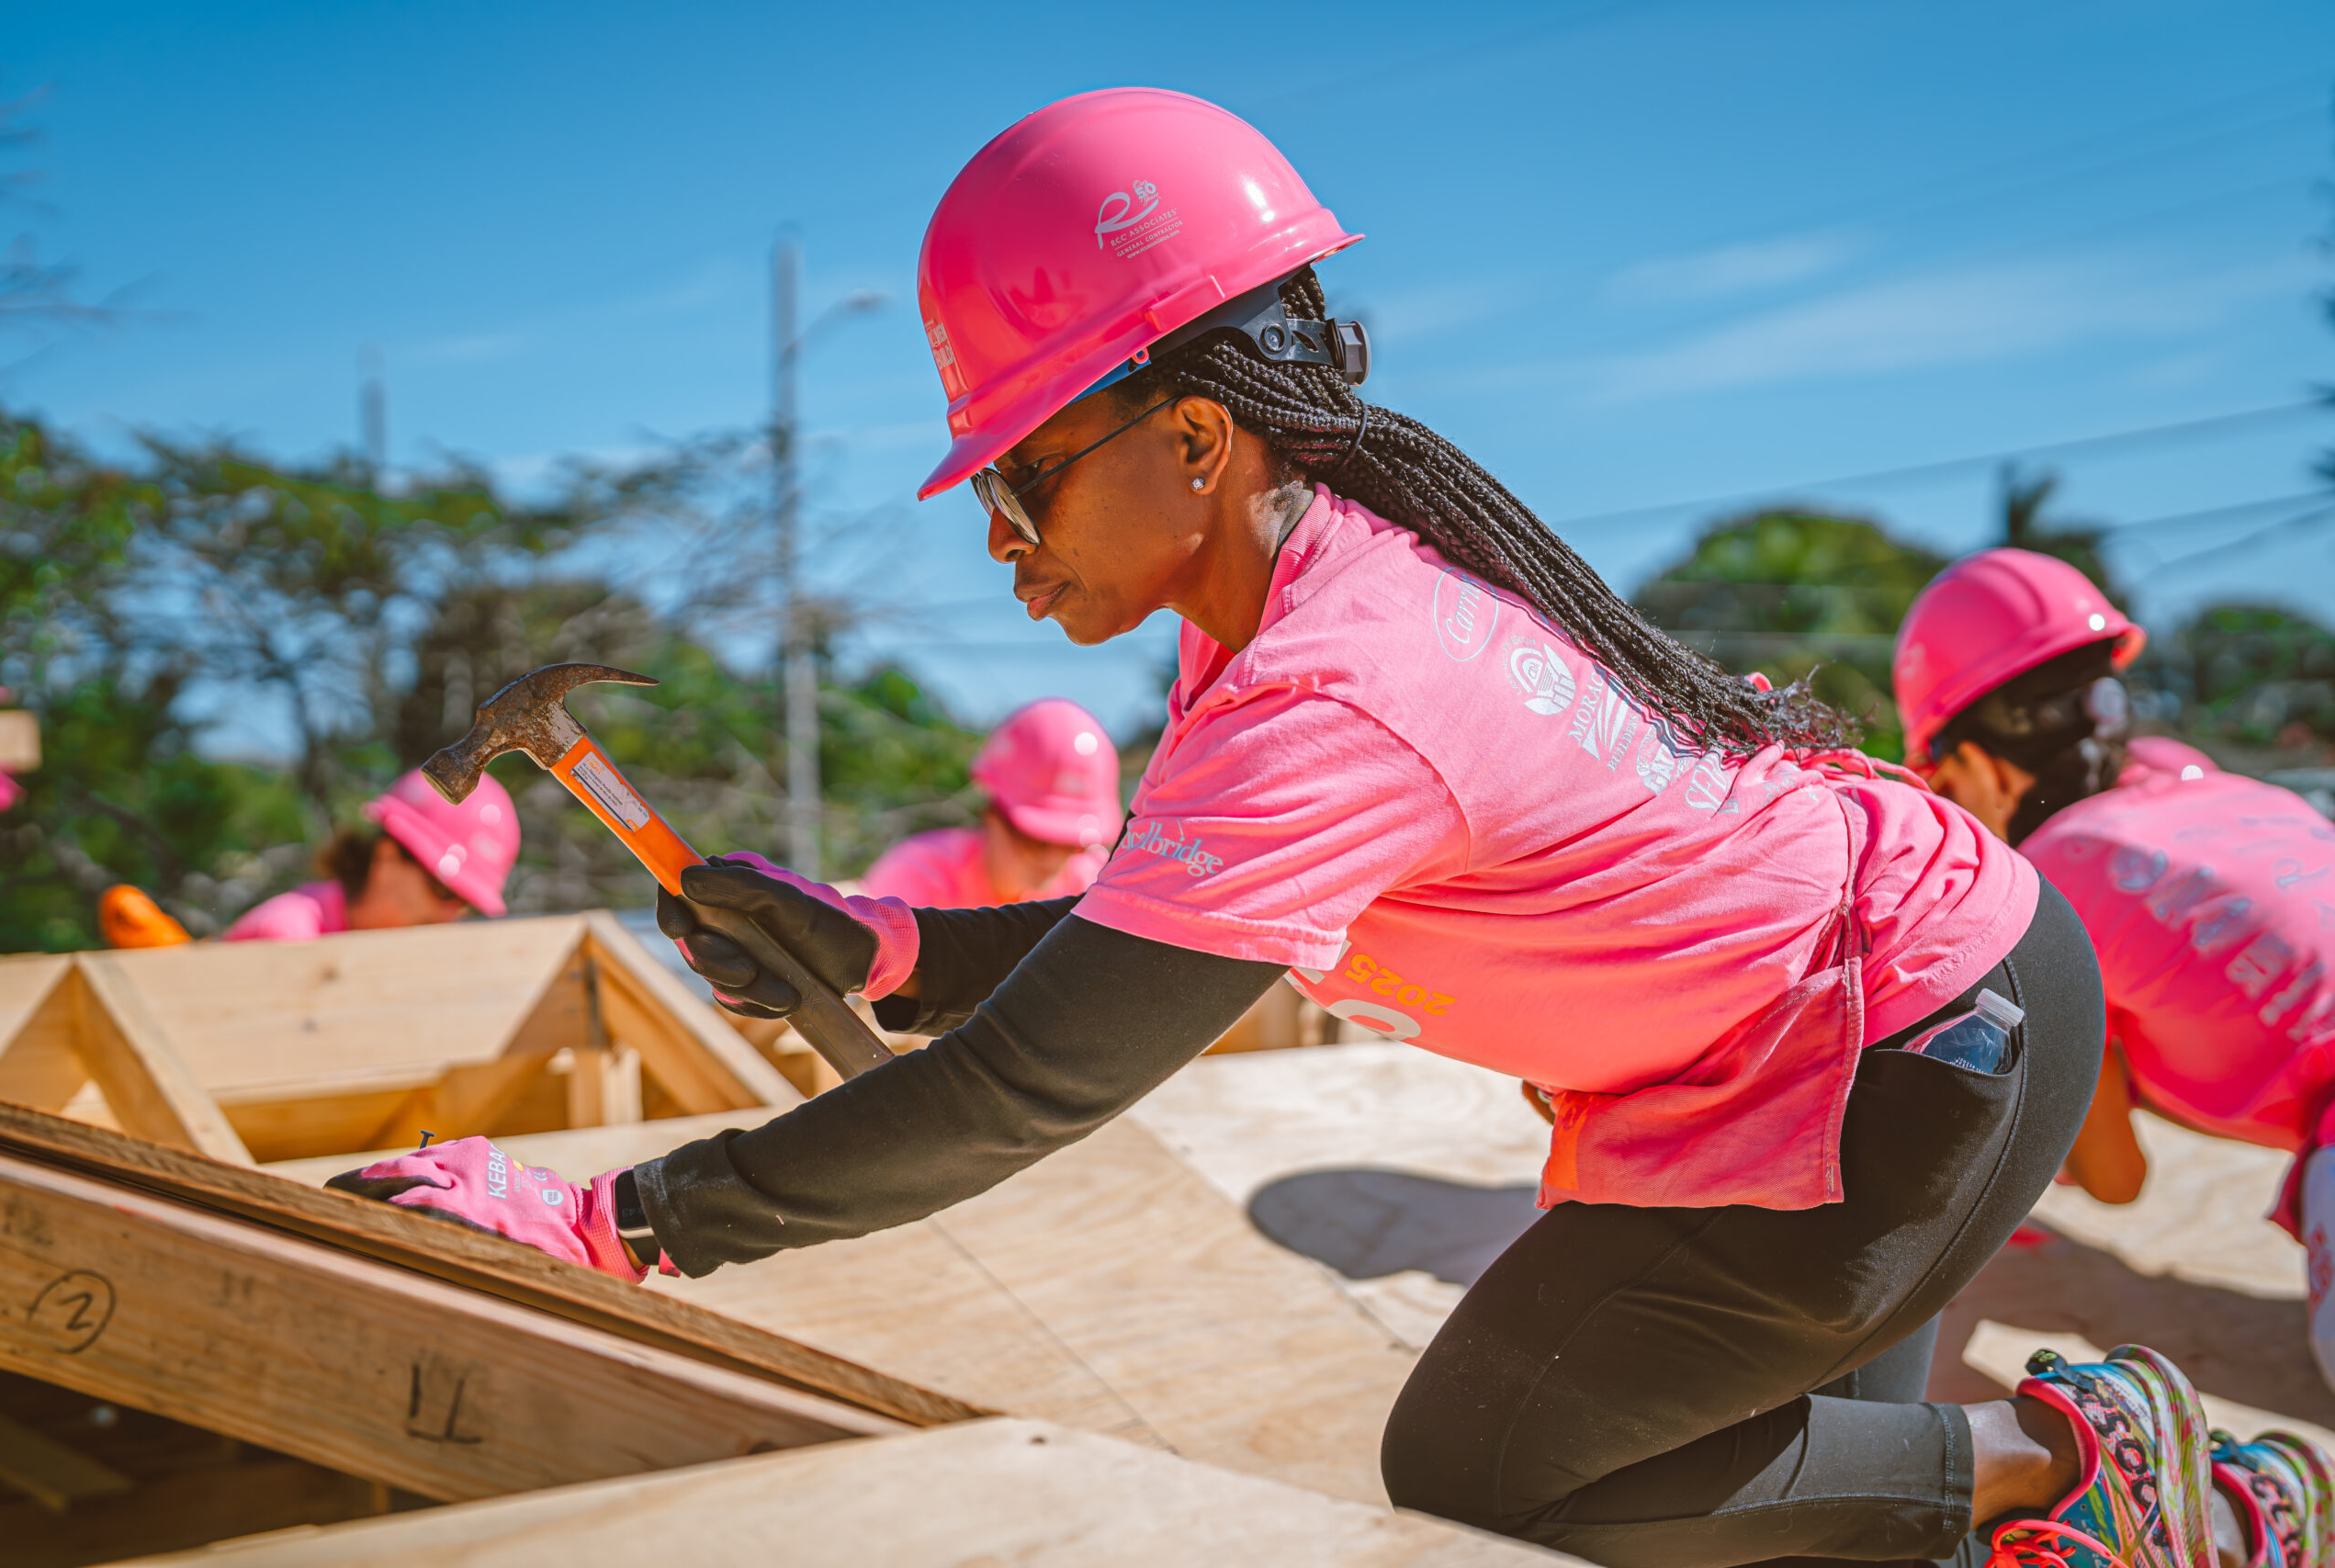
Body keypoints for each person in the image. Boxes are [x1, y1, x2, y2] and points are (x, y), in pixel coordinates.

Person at [330, 90, 2332, 1568]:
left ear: (1194, 437)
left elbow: (1032, 1086)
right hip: (1918, 999)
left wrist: (624, 1219)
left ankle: (2092, 1469)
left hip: (1898, 1055)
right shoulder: (1294, 614)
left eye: (1021, 473)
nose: (998, 535)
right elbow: (1126, 946)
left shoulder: (1329, 689)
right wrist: (888, 950)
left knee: (1486, 1462)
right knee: (1778, 1521)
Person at [1897, 547, 2335, 1381]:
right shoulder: (2217, 796)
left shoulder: (2048, 891)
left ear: (1980, 760)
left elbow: (2117, 1179)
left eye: (1946, 784)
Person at [860, 697, 1118, 908]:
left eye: (1074, 845)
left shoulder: (1091, 885)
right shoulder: (918, 879)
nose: (1054, 860)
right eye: (1037, 840)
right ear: (992, 812)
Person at [224, 770, 518, 941]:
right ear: (387, 857)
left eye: (466, 901)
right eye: (443, 889)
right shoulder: (287, 938)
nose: (450, 913)